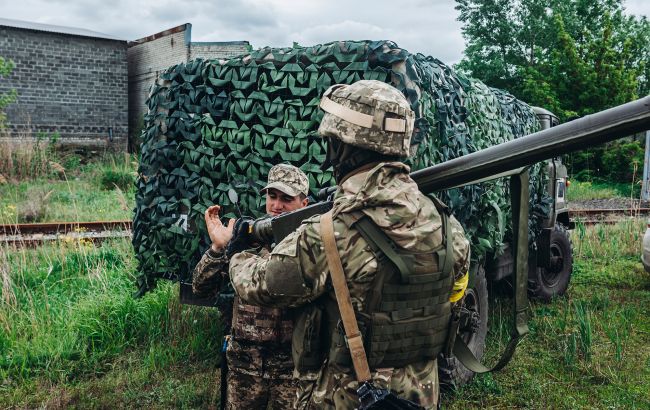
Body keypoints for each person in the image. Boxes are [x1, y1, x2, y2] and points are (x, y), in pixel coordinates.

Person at [228, 80, 471, 409]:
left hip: (349, 398)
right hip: (420, 397)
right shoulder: (449, 227)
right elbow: (453, 299)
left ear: (341, 147)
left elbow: (262, 285)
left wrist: (238, 252)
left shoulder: (328, 234)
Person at [192, 163, 310, 409]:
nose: (276, 205)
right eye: (272, 196)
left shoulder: (311, 245)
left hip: (291, 369)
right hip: (245, 367)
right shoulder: (248, 238)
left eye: (287, 199)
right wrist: (218, 249)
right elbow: (201, 287)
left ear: (304, 204)